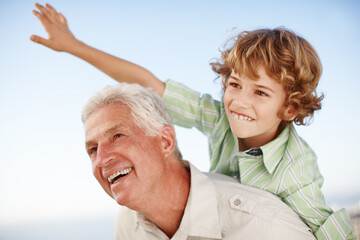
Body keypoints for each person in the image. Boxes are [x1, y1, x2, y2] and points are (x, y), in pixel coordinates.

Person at [31, 3, 355, 239]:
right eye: (235, 84)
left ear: (290, 109)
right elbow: (149, 83)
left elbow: (324, 227)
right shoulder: (219, 119)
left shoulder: (295, 167)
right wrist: (74, 47)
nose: (239, 101)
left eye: (260, 93)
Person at [82, 82, 316, 239]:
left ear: (165, 142)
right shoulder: (128, 226)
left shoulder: (268, 228)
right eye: (92, 149)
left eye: (117, 136)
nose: (101, 159)